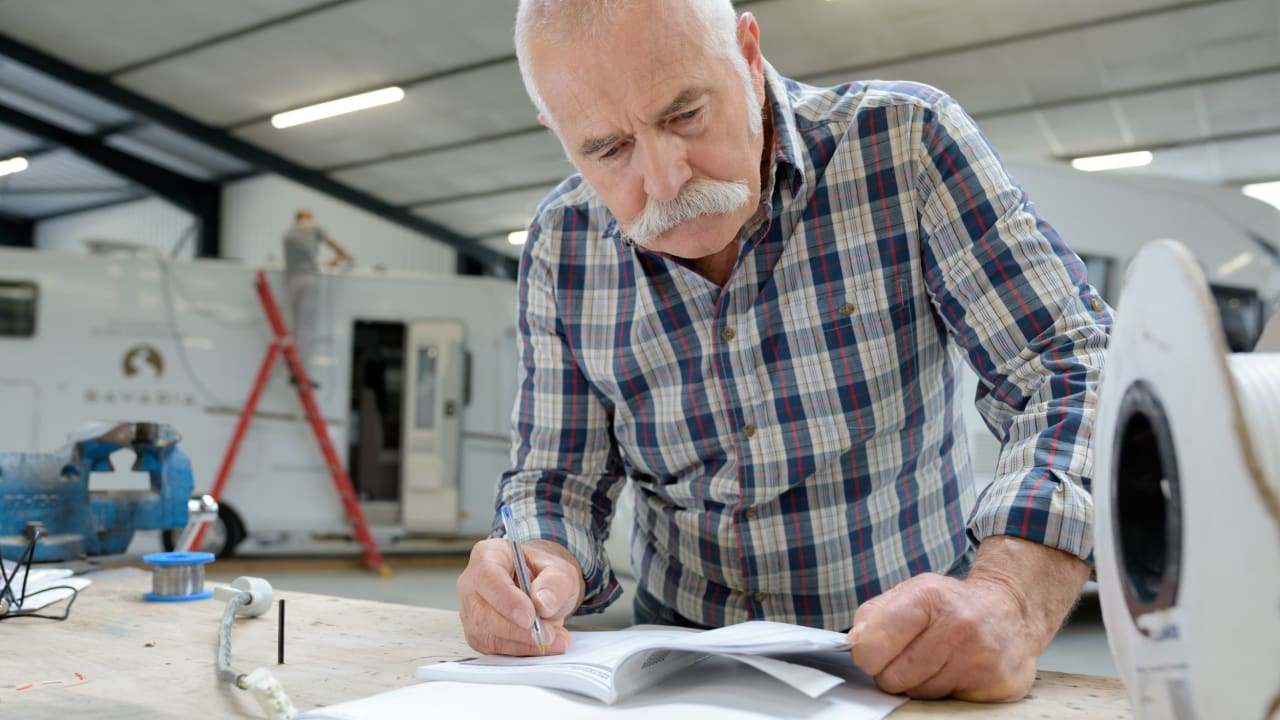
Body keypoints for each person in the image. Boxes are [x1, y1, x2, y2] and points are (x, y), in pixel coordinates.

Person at [456, 0, 1112, 703]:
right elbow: (556, 480)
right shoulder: (562, 246)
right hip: (680, 666)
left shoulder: (905, 144)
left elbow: (1069, 366)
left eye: (684, 114)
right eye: (607, 149)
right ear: (557, 132)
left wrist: (1011, 597)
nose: (665, 179)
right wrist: (535, 562)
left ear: (746, 51)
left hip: (918, 648)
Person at [281, 208, 355, 384]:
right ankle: (300, 372)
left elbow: (302, 259)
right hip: (308, 279)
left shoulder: (288, 233)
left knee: (291, 325)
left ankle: (290, 365)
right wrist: (346, 257)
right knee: (306, 328)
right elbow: (333, 245)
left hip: (290, 280)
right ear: (305, 217)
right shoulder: (312, 227)